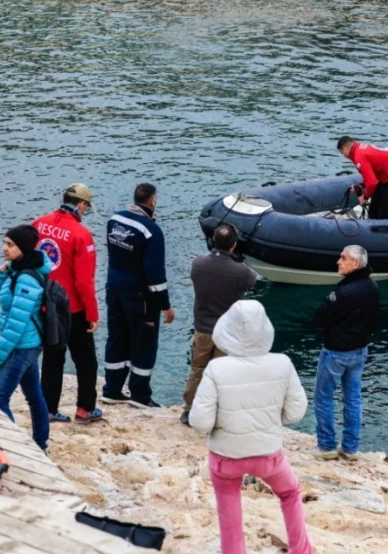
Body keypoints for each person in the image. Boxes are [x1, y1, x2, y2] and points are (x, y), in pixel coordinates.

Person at [189, 300, 312, 554]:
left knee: (229, 507)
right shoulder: (283, 363)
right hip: (269, 455)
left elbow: (200, 422)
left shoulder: (216, 368)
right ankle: (301, 550)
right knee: (290, 493)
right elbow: (295, 412)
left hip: (226, 459)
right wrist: (269, 421)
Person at [33, 184, 102, 424]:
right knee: (86, 361)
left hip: (45, 303)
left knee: (52, 359)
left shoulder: (39, 224)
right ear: (81, 205)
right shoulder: (81, 235)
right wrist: (92, 313)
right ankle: (85, 408)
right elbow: (84, 281)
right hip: (73, 308)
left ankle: (48, 409)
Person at [103, 183, 175, 407]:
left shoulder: (115, 220)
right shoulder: (151, 230)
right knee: (144, 342)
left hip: (113, 289)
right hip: (139, 296)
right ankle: (140, 395)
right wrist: (165, 305)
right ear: (153, 201)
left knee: (117, 337)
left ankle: (112, 389)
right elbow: (155, 274)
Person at [183, 224, 257, 426]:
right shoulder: (242, 272)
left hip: (202, 329)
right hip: (227, 333)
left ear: (212, 242)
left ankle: (189, 410)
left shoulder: (197, 264)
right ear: (234, 245)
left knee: (197, 369)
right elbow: (253, 281)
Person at [312, 245, 380, 461]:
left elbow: (320, 316)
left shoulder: (343, 293)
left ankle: (327, 446)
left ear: (356, 264)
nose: (338, 261)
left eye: (344, 258)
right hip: (360, 350)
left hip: (336, 351)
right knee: (353, 398)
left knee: (323, 397)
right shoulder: (373, 287)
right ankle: (350, 448)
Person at [0, 224, 51, 453]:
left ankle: (14, 449)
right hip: (27, 344)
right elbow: (4, 302)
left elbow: (16, 322)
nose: (4, 248)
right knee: (34, 396)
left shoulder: (26, 279)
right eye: (4, 243)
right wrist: (0, 275)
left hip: (21, 345)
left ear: (23, 248)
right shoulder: (17, 270)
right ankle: (41, 445)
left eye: (10, 244)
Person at [337, 136, 388, 220]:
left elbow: (372, 182)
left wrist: (365, 197)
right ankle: (372, 226)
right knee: (373, 209)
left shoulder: (359, 156)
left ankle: (386, 229)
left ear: (345, 149)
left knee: (384, 214)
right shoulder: (359, 149)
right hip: (386, 177)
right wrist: (361, 186)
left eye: (342, 153)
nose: (344, 156)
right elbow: (371, 176)